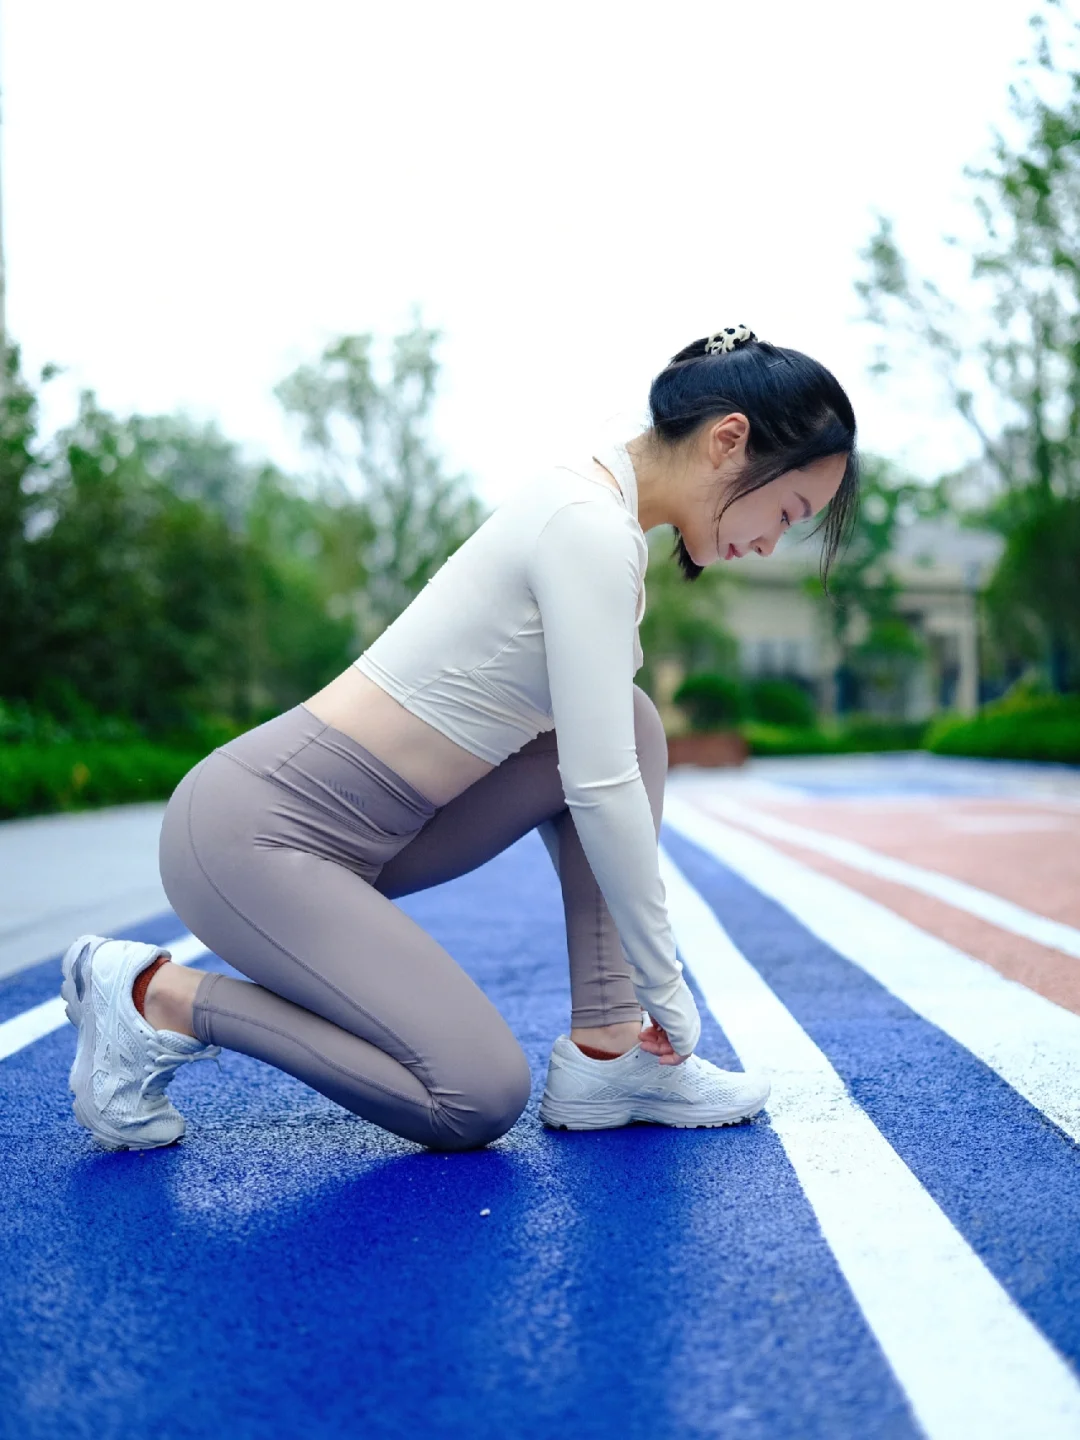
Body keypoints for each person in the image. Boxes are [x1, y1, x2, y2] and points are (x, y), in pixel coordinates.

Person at [60, 324, 858, 1153]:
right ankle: (153, 995)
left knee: (630, 719)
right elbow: (599, 786)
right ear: (731, 441)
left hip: (381, 835)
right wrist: (671, 983)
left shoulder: (595, 515)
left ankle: (612, 1049)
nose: (770, 540)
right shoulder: (586, 526)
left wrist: (642, 995)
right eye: (788, 510)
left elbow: (605, 756)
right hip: (254, 835)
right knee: (474, 1096)